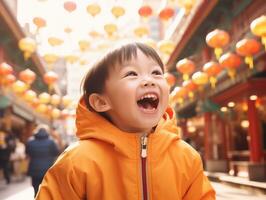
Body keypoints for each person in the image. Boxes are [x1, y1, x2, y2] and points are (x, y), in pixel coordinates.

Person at [36, 42, 215, 199]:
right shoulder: (77, 161)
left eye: (156, 73)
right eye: (131, 74)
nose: (148, 80)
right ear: (101, 102)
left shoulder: (186, 157)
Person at [26, 124, 59, 197]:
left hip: (34, 168)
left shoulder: (30, 141)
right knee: (47, 188)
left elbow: (27, 152)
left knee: (35, 187)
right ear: (46, 131)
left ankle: (36, 197)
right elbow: (56, 152)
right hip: (47, 168)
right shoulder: (51, 141)